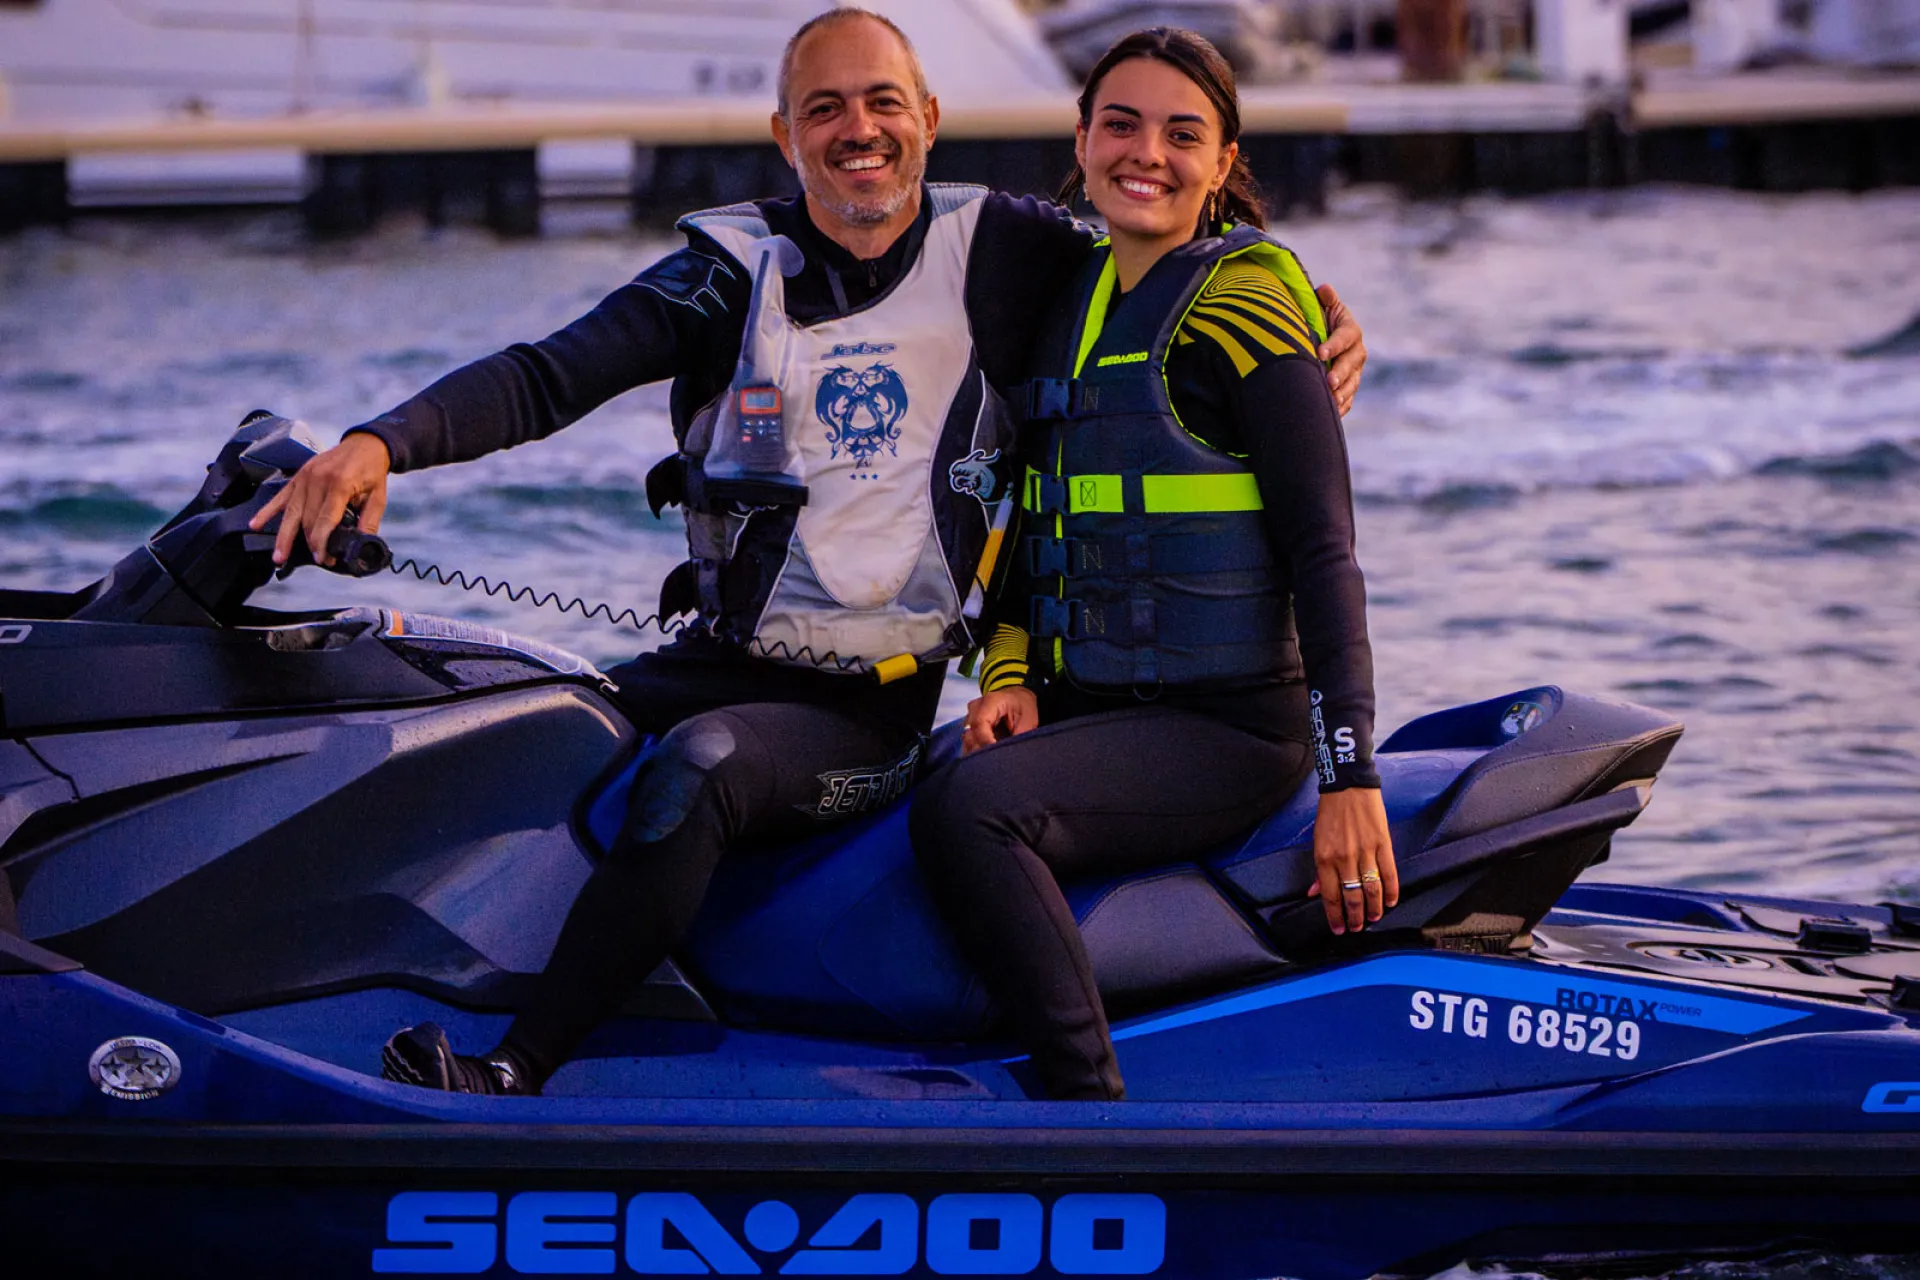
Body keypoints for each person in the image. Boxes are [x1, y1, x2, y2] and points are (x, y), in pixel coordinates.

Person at [251, 9, 1370, 1097]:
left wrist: (1315, 319)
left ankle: (520, 1068)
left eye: (884, 101)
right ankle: (294, 984)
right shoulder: (731, 269)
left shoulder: (1009, 251)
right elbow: (552, 372)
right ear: (785, 136)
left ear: (929, 118)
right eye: (824, 108)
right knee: (495, 719)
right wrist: (378, 441)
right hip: (717, 654)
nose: (859, 129)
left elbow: (1189, 261)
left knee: (701, 770)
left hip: (864, 708)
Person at [907, 27, 1397, 1102]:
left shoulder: (1252, 299)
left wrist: (1348, 772)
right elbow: (1037, 517)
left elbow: (1326, 549)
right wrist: (1009, 676)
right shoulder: (1067, 297)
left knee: (970, 813)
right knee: (908, 776)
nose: (1148, 154)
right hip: (1096, 705)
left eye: (1184, 134)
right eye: (1121, 124)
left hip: (1228, 725)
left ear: (1224, 162)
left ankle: (1085, 1103)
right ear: (1079, 141)